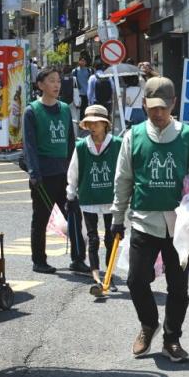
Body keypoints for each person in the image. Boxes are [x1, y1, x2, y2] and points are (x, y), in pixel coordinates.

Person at [111, 76, 189, 362]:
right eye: (152, 108)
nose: (158, 113)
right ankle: (148, 324)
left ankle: (171, 339)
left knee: (179, 288)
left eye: (163, 108)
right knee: (135, 281)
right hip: (144, 220)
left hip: (180, 226)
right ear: (144, 105)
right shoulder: (133, 136)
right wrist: (117, 218)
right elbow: (123, 179)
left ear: (173, 104)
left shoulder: (188, 136)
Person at [22, 67, 88, 274]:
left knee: (74, 216)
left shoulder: (65, 109)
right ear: (40, 85)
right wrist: (34, 173)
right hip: (43, 174)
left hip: (65, 173)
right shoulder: (31, 111)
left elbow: (70, 142)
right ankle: (39, 261)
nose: (57, 85)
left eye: (58, 81)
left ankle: (78, 259)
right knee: (40, 218)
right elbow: (29, 145)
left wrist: (75, 170)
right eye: (51, 81)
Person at [66, 105, 121, 287]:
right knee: (93, 238)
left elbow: (126, 171)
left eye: (96, 123)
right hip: (88, 196)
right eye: (89, 123)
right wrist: (70, 194)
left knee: (110, 237)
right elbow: (73, 171)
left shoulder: (117, 145)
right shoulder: (82, 146)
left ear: (105, 124)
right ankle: (96, 276)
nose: (92, 127)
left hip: (110, 197)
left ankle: (109, 274)